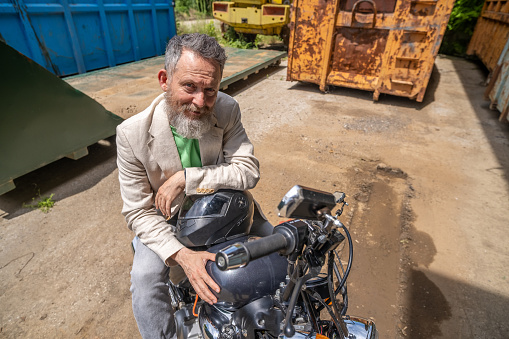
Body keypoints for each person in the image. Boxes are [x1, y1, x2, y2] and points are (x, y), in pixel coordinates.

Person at [116, 33, 272, 338]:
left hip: (223, 206)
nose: (200, 102)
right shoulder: (131, 135)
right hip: (165, 219)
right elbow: (138, 212)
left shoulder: (227, 109)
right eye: (189, 87)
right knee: (145, 279)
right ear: (165, 79)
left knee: (280, 249)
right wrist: (182, 256)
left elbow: (247, 171)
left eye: (210, 90)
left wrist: (188, 178)